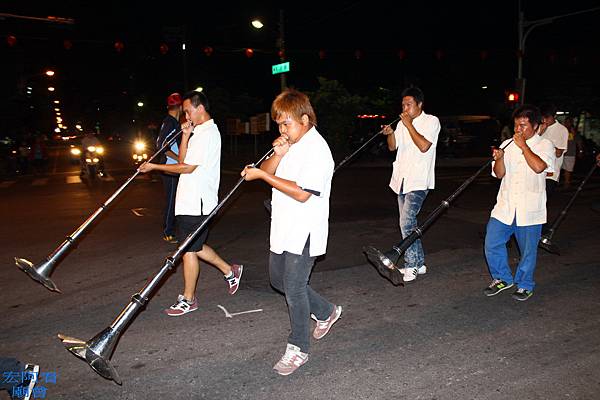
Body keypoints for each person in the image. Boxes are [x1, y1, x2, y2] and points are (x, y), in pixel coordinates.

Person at [241, 89, 342, 376]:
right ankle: (326, 312)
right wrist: (276, 154)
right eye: (279, 124)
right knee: (278, 280)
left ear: (305, 119)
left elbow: (301, 194)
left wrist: (262, 175)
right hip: (283, 226)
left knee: (294, 288)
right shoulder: (293, 144)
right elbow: (267, 169)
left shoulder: (318, 150)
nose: (282, 129)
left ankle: (298, 349)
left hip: (305, 229)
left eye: (287, 123)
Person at [139, 90, 243, 316]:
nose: (185, 116)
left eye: (187, 111)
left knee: (187, 249)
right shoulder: (198, 132)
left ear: (200, 108)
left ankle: (189, 299)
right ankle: (230, 270)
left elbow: (186, 168)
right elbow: (184, 159)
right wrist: (185, 135)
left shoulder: (208, 134)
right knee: (192, 246)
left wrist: (154, 167)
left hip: (198, 202)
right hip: (189, 200)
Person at [483, 104, 555, 302]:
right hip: (505, 206)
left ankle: (525, 284)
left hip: (529, 208)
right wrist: (499, 159)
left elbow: (540, 167)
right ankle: (502, 278)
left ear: (536, 126)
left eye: (523, 125)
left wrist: (524, 146)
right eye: (516, 125)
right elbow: (498, 174)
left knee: (528, 251)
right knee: (492, 243)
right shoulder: (507, 144)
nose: (518, 130)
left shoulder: (544, 145)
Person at [381, 86, 440, 283]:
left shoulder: (431, 121)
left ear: (419, 105)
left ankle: (412, 264)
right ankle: (420, 263)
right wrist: (390, 132)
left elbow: (424, 146)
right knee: (409, 223)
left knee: (406, 222)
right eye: (403, 105)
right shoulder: (401, 123)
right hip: (402, 180)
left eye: (409, 104)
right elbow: (392, 146)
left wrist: (409, 125)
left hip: (418, 180)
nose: (405, 108)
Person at [156, 93, 183, 243]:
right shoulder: (171, 123)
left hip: (173, 167)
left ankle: (173, 228)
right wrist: (179, 159)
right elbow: (161, 146)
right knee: (172, 200)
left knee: (175, 199)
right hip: (170, 167)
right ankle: (168, 232)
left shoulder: (171, 122)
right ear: (179, 107)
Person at [539, 103, 568, 196]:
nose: (545, 120)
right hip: (536, 169)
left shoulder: (562, 130)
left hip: (551, 173)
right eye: (543, 118)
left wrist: (545, 144)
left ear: (554, 116)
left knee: (544, 199)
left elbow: (559, 153)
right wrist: (540, 133)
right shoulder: (539, 128)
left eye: (548, 118)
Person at [560, 116, 579, 189]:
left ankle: (567, 182)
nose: (567, 123)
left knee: (568, 169)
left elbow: (577, 141)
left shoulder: (573, 131)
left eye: (568, 122)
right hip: (561, 152)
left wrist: (580, 150)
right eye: (566, 122)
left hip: (570, 153)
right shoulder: (561, 130)